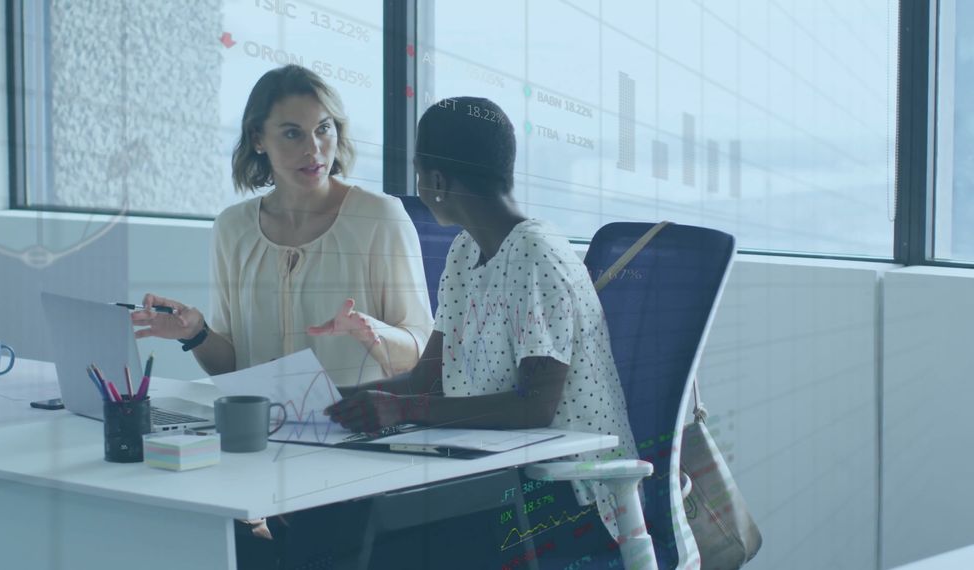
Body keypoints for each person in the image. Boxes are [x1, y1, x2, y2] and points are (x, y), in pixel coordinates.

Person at [326, 96, 639, 557]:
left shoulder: (537, 254)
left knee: (379, 542)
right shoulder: (464, 251)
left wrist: (403, 410)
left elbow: (534, 407)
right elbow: (425, 380)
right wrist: (322, 402)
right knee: (343, 520)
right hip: (496, 476)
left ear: (435, 180)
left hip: (567, 494)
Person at [132, 64, 433, 387]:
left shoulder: (379, 218)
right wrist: (196, 332)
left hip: (355, 418)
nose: (313, 149)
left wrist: (374, 333)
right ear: (258, 139)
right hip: (262, 417)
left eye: (323, 129)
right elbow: (233, 368)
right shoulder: (232, 228)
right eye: (293, 133)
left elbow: (422, 354)